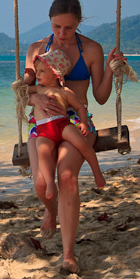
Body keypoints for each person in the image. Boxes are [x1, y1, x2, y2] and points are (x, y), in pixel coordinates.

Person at [23, 0, 127, 275]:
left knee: (66, 176)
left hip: (76, 121)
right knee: (41, 185)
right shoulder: (36, 50)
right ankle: (51, 210)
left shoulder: (91, 49)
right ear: (50, 21)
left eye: (69, 28)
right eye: (57, 27)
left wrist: (110, 70)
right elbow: (23, 92)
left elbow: (101, 97)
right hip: (43, 124)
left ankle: (68, 254)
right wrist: (36, 101)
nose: (62, 34)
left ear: (79, 23)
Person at [29, 49, 106, 200]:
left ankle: (97, 172)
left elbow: (79, 107)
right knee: (42, 153)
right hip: (43, 130)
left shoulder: (65, 92)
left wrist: (83, 123)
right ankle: (50, 183)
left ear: (55, 74)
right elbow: (20, 91)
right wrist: (25, 78)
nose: (37, 74)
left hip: (63, 125)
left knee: (82, 143)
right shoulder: (38, 89)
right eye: (36, 71)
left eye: (41, 71)